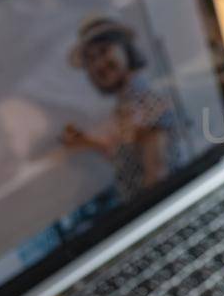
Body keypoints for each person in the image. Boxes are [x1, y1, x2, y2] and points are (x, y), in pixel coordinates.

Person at [60, 14, 183, 201]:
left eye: (104, 51)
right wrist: (88, 142)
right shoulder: (126, 105)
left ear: (125, 48)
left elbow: (157, 176)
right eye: (91, 60)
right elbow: (131, 158)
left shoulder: (144, 103)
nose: (98, 64)